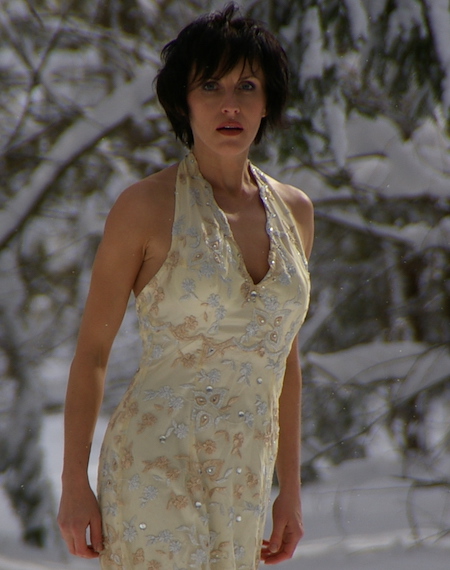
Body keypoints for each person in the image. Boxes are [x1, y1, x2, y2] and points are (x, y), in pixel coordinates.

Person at [57, 4, 313, 569]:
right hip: (153, 469)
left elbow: (284, 355)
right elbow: (93, 352)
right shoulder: (144, 208)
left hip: (245, 477)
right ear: (183, 102)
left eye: (247, 86)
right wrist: (74, 481)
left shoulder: (296, 212)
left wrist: (289, 489)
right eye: (210, 86)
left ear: (268, 101)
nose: (230, 104)